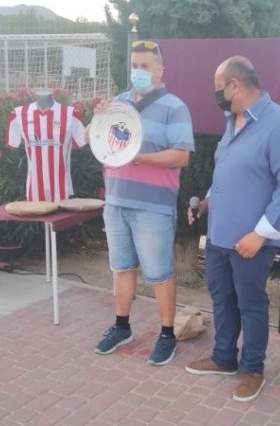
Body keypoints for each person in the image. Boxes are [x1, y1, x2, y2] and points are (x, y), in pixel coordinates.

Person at [184, 56, 280, 401]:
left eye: (218, 88)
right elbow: (228, 171)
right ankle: (224, 358)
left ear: (235, 85)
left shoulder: (279, 125)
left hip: (252, 240)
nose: (215, 95)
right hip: (219, 234)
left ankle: (253, 368)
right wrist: (206, 202)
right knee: (222, 297)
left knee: (250, 303)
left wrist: (260, 234)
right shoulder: (232, 121)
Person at [87, 40, 195, 365]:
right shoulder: (119, 104)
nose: (138, 72)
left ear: (161, 70)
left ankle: (167, 334)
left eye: (145, 66)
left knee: (160, 274)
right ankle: (122, 327)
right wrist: (97, 118)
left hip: (153, 206)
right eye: (134, 65)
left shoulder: (175, 107)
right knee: (122, 268)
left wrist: (139, 158)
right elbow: (93, 139)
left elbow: (182, 156)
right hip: (116, 200)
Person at [6, 89, 86, 202]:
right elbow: (13, 143)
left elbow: (82, 141)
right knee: (38, 212)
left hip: (61, 189)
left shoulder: (70, 114)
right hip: (34, 190)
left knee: (60, 212)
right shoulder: (18, 114)